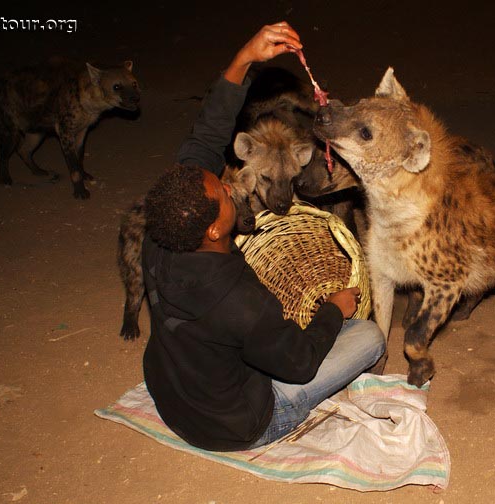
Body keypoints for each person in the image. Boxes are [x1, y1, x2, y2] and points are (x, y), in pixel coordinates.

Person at [141, 22, 386, 452]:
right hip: (240, 423)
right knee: (369, 337)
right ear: (215, 228)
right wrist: (332, 309)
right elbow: (300, 362)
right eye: (223, 193)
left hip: (172, 394)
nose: (230, 184)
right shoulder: (237, 300)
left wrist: (244, 59)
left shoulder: (161, 238)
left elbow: (205, 134)